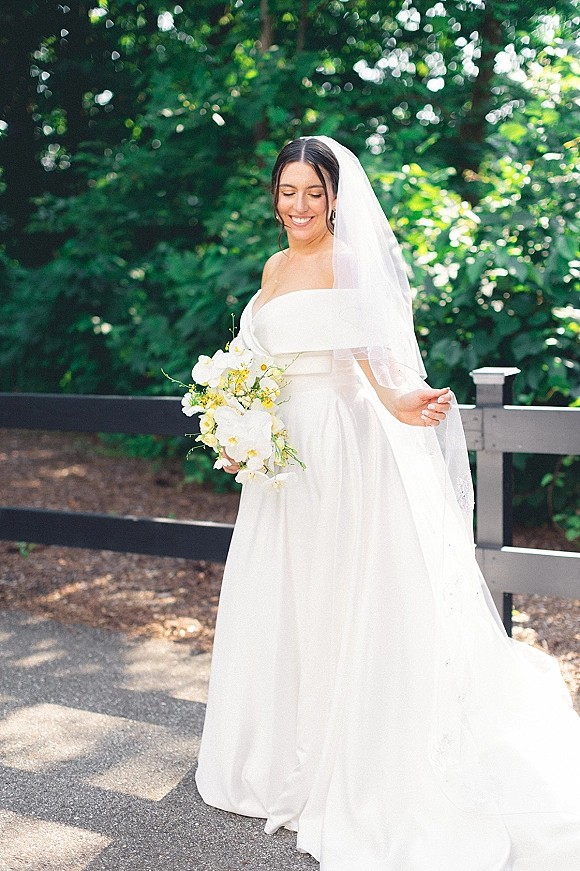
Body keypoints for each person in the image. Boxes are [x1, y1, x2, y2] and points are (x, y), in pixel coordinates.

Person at [195, 136, 580, 870]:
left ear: (336, 197)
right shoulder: (274, 267)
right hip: (281, 459)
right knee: (287, 593)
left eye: (313, 192)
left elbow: (378, 363)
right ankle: (282, 749)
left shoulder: (352, 263)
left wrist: (408, 401)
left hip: (340, 447)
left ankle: (356, 752)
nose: (299, 206)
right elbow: (252, 363)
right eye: (288, 191)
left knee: (345, 589)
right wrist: (234, 420)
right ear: (273, 195)